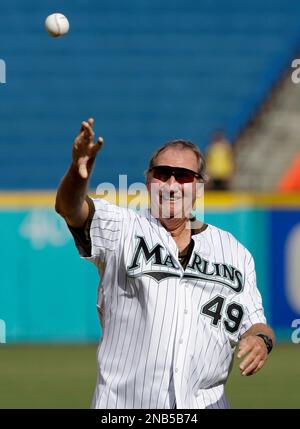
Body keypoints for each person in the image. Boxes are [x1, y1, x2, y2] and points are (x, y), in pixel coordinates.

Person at [55, 118, 275, 409]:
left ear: (198, 188)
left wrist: (261, 341)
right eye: (163, 174)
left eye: (183, 176)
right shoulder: (123, 228)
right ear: (148, 182)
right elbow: (70, 208)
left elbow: (256, 323)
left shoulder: (234, 252)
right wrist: (78, 173)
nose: (171, 184)